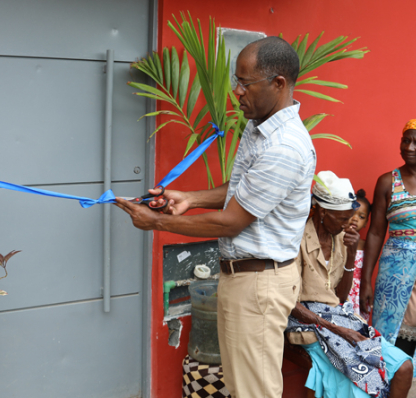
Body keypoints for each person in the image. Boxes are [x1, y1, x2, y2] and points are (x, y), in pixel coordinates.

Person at [115, 36, 316, 398]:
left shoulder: (284, 146)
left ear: (278, 83)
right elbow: (244, 188)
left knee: (253, 391)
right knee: (244, 387)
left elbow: (232, 221)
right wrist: (191, 198)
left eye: (245, 83)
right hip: (247, 278)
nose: (237, 92)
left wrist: (155, 222)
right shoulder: (261, 127)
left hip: (259, 283)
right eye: (236, 82)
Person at [287, 171, 413, 398]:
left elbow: (341, 296)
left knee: (403, 367)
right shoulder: (296, 240)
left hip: (337, 315)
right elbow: (289, 303)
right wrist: (338, 330)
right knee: (358, 384)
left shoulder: (341, 238)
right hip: (304, 319)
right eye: (343, 218)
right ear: (323, 212)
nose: (349, 223)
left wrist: (352, 253)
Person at [359, 118, 416, 396]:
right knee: (393, 349)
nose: (409, 147)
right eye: (405, 140)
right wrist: (366, 280)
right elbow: (375, 233)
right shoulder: (388, 181)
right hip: (395, 285)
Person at [348, 189, 371, 321]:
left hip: (358, 293)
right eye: (352, 213)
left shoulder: (366, 246)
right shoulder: (336, 240)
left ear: (366, 223)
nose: (355, 218)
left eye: (361, 217)